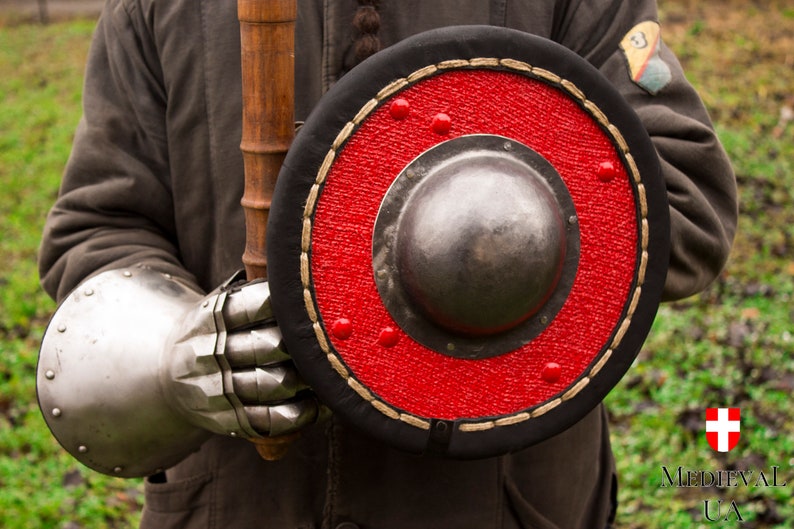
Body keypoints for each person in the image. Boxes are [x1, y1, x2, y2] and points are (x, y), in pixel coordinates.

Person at [37, 1, 737, 528]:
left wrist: (486, 241)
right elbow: (99, 225)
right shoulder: (159, 8)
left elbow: (685, 195)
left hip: (499, 499)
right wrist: (175, 346)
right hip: (245, 498)